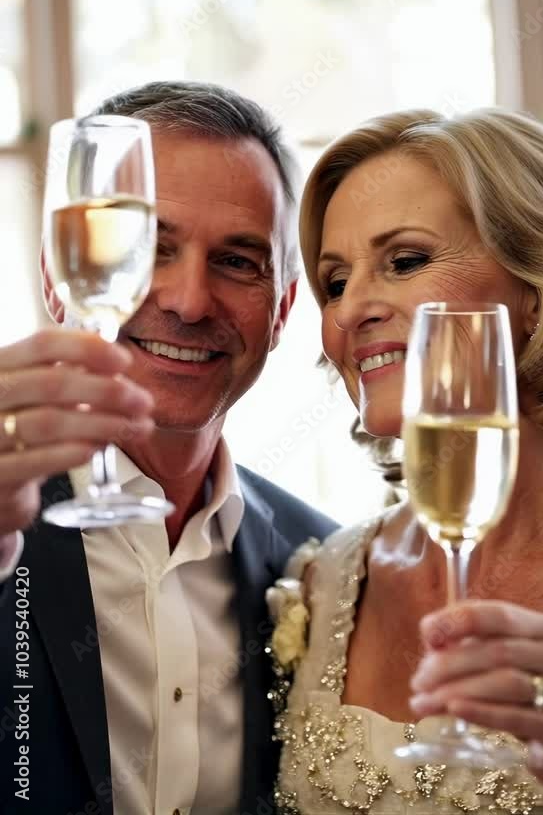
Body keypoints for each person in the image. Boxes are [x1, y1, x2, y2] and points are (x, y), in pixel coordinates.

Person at [0, 81, 337, 814]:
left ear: (282, 310)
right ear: (64, 276)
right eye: (146, 249)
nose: (189, 301)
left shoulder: (322, 567)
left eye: (238, 261)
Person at [267, 107, 543, 813]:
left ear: (534, 289)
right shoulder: (320, 580)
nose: (351, 311)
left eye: (405, 262)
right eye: (335, 283)